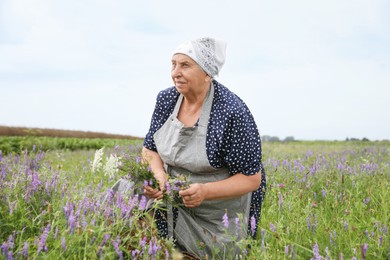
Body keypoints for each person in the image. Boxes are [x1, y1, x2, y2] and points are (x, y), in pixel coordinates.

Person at [142, 37, 266, 259]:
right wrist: (158, 176)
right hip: (173, 195)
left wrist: (205, 192)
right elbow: (150, 149)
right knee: (127, 191)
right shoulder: (167, 99)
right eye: (173, 64)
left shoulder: (231, 112)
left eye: (185, 65)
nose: (175, 72)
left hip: (216, 210)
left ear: (208, 74)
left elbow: (251, 179)